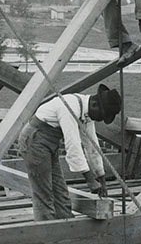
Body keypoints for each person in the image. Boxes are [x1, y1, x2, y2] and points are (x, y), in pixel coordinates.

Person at [18, 84, 121, 221]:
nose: (99, 120)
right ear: (95, 104)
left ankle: (67, 226)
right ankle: (47, 233)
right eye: (101, 117)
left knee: (60, 192)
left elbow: (91, 146)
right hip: (35, 140)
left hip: (49, 144)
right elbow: (73, 147)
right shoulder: (70, 107)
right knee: (44, 194)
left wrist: (101, 178)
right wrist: (90, 180)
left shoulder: (87, 113)